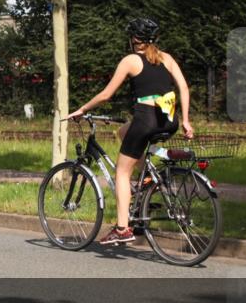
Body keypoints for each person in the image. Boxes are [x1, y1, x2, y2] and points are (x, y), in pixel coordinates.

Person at [65, 18, 194, 245]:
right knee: (124, 131)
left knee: (122, 173)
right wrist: (186, 120)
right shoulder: (168, 58)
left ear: (134, 39)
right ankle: (146, 179)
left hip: (146, 119)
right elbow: (183, 87)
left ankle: (122, 228)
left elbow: (106, 95)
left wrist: (82, 109)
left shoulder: (130, 60)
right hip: (169, 120)